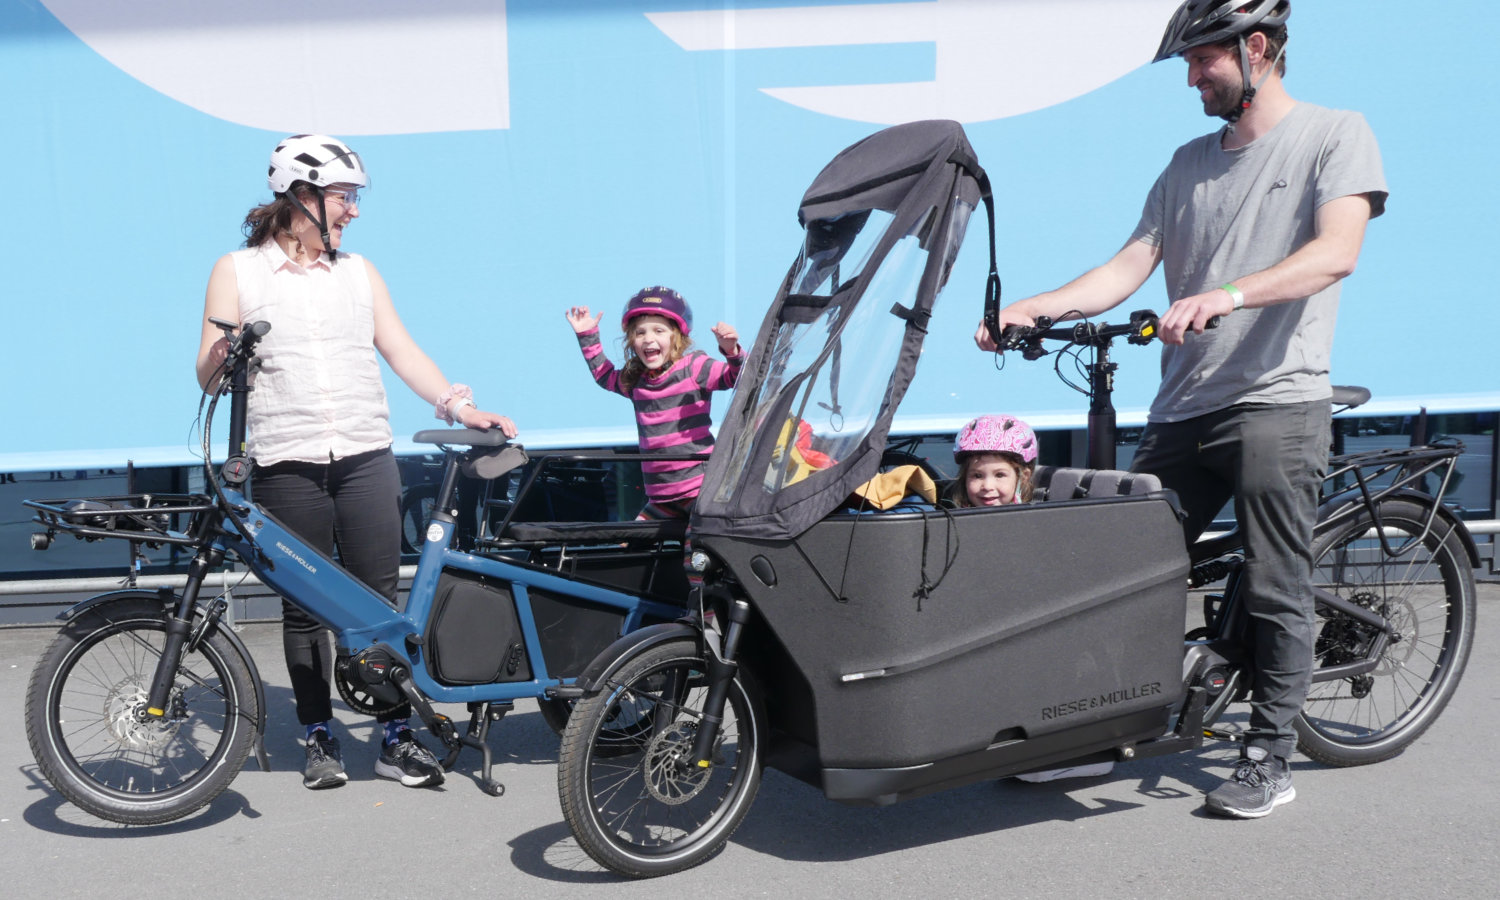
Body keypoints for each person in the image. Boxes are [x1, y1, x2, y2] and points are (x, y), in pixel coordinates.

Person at [976, 0, 1386, 817]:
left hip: (1276, 398)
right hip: (1183, 404)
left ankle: (1269, 755)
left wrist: (1226, 294)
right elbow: (1127, 266)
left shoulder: (1335, 134)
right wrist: (1034, 308)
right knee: (1119, 572)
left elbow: (1335, 253)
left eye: (1203, 60)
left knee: (1274, 582)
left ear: (1257, 47)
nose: (1192, 77)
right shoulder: (1186, 163)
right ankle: (1094, 729)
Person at [194, 134, 517, 791]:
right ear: (302, 197)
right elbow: (208, 374)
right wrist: (226, 353)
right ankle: (319, 734)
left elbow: (401, 350)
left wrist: (460, 407)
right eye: (345, 196)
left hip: (366, 456)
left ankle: (395, 736)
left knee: (377, 602)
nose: (355, 210)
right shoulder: (238, 271)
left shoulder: (359, 272)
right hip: (286, 460)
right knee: (305, 608)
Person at [565, 288, 742, 519]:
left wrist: (731, 350)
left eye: (659, 330)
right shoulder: (637, 380)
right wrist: (587, 335)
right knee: (631, 540)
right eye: (640, 332)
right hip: (661, 499)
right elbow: (604, 376)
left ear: (677, 336)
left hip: (700, 491)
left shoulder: (694, 367)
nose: (648, 338)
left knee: (699, 542)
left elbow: (737, 377)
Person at [947, 414, 1039, 508]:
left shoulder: (1037, 515)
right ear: (965, 478)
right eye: (977, 476)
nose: (987, 486)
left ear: (1023, 477)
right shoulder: (948, 513)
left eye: (999, 475)